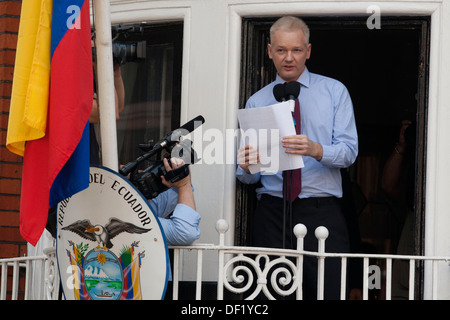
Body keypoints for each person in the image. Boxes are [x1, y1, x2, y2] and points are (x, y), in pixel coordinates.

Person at [236, 16, 358, 300]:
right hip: (272, 212)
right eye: (281, 50)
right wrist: (245, 165)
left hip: (321, 211)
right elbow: (248, 176)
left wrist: (316, 149)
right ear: (269, 51)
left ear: (309, 51)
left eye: (296, 50)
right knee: (270, 295)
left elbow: (350, 152)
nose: (288, 58)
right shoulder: (257, 101)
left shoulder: (334, 92)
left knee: (329, 292)